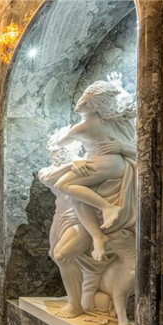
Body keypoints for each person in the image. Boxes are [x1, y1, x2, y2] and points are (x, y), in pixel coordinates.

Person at [51, 73, 136, 260]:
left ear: (97, 107)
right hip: (112, 163)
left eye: (87, 103)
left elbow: (59, 143)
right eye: (84, 96)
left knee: (62, 184)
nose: (81, 103)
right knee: (78, 197)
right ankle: (98, 237)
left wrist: (73, 159)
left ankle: (108, 208)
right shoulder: (112, 119)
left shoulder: (82, 127)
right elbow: (125, 102)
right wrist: (117, 85)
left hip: (105, 163)